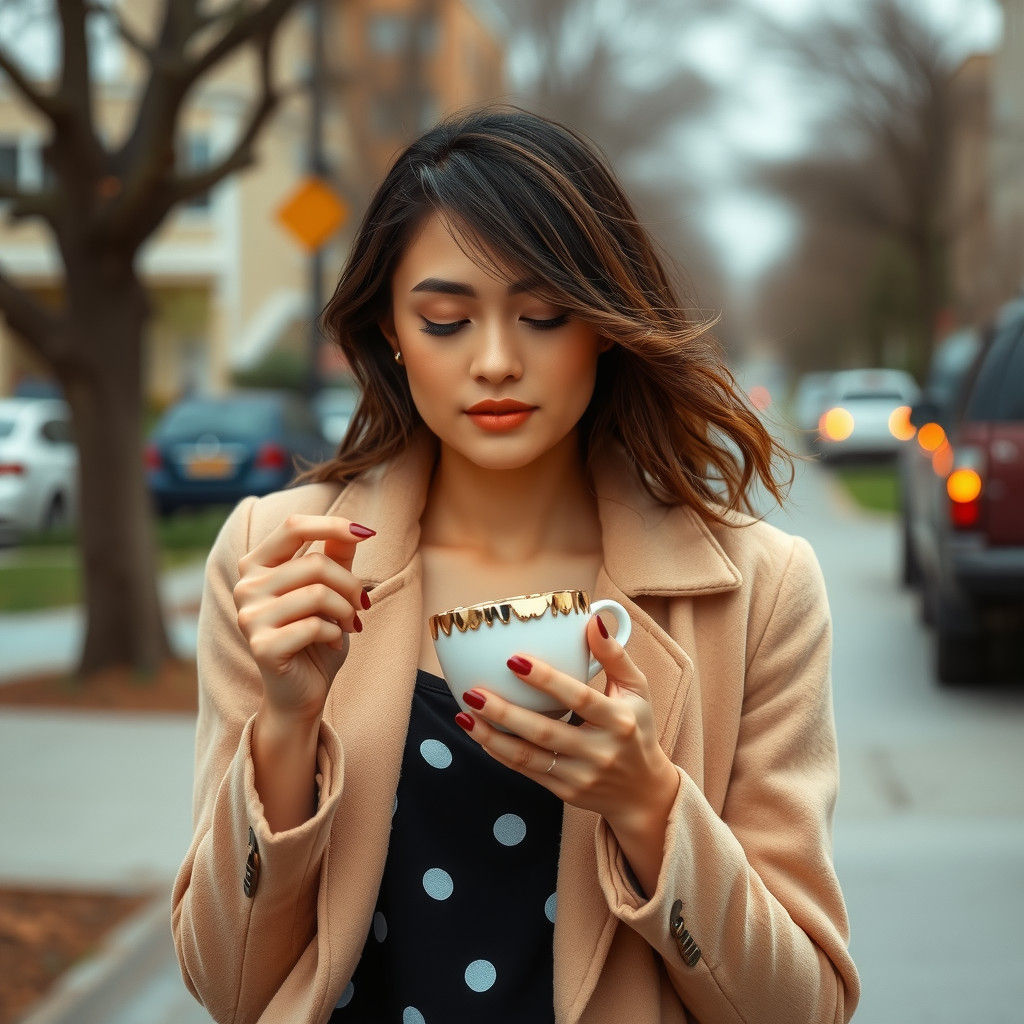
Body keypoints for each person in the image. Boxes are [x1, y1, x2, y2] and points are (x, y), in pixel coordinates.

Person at [171, 106, 860, 1024]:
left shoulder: (757, 588)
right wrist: (287, 729)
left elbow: (800, 1007)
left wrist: (650, 805)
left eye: (542, 315)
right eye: (447, 321)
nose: (496, 361)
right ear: (387, 331)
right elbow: (228, 987)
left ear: (606, 325)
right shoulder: (278, 557)